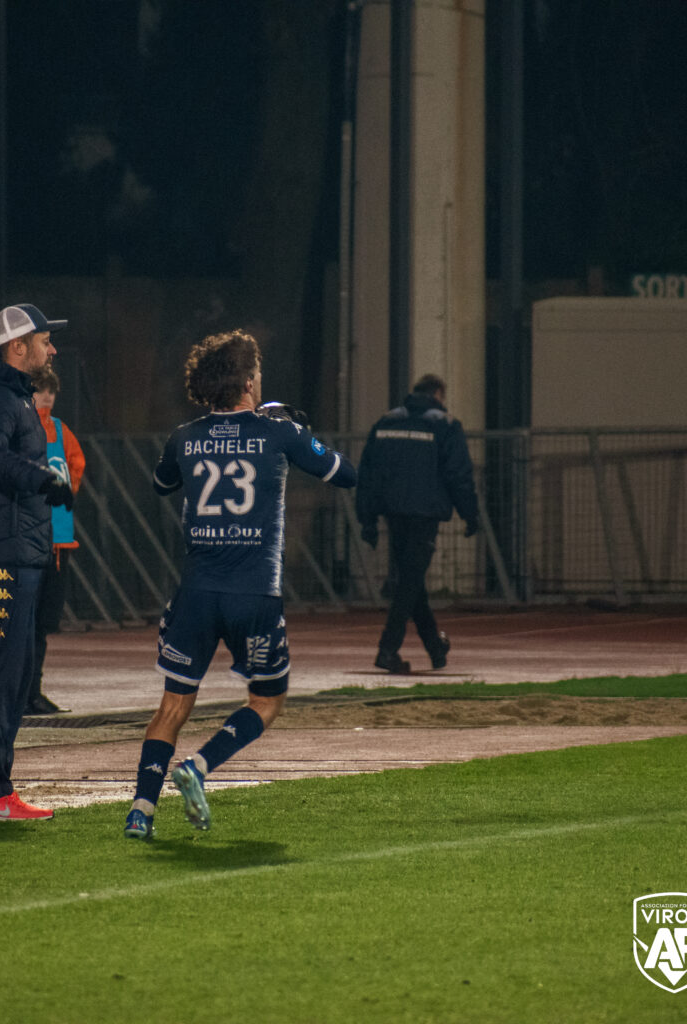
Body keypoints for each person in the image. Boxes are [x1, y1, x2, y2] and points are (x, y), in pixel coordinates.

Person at [123, 329, 357, 840]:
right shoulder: (279, 433)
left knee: (172, 706)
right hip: (254, 595)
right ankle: (199, 766)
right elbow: (343, 474)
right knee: (267, 701)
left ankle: (141, 811)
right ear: (249, 381)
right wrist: (300, 435)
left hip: (196, 594)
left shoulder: (184, 436)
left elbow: (162, 484)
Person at [0, 303, 73, 821]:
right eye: (45, 341)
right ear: (18, 347)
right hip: (0, 555)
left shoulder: (14, 396)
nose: (53, 349)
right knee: (3, 673)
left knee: (17, 674)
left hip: (17, 551)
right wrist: (41, 478)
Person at [356, 373, 480, 674]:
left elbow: (368, 474)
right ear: (438, 394)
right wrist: (470, 514)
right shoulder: (445, 425)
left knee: (411, 581)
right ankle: (387, 649)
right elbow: (458, 476)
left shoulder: (386, 422)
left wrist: (367, 519)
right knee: (409, 581)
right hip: (425, 514)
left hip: (393, 512)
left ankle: (435, 647)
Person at [25, 366, 85, 715]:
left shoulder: (60, 430)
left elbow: (77, 463)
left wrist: (69, 490)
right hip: (33, 540)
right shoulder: (24, 428)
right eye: (40, 390)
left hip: (59, 540)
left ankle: (33, 690)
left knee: (44, 623)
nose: (46, 397)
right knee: (27, 621)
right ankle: (24, 691)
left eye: (50, 391)